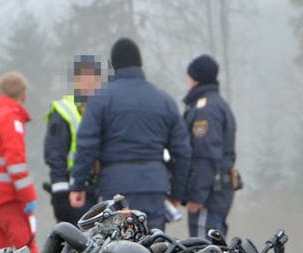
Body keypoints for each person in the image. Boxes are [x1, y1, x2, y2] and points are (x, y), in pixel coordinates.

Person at [68, 38, 190, 231]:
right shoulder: (164, 101)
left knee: (117, 250)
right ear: (140, 63)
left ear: (114, 65)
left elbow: (86, 145)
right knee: (153, 248)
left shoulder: (100, 101)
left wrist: (78, 185)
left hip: (114, 184)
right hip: (154, 184)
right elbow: (183, 151)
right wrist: (177, 193)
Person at [0, 72, 38, 253]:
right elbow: (16, 162)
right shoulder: (10, 118)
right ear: (23, 95)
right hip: (9, 200)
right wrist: (28, 196)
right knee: (27, 252)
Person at [180, 55, 238, 238]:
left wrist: (197, 196)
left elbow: (205, 154)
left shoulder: (206, 109)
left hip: (209, 194)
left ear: (196, 78)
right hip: (215, 191)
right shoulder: (216, 104)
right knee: (213, 247)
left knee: (203, 250)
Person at [44, 56, 102, 225]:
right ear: (76, 80)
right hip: (74, 189)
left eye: (96, 79)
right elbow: (55, 153)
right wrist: (60, 191)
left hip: (100, 187)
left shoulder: (103, 108)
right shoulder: (64, 111)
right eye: (87, 78)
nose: (92, 84)